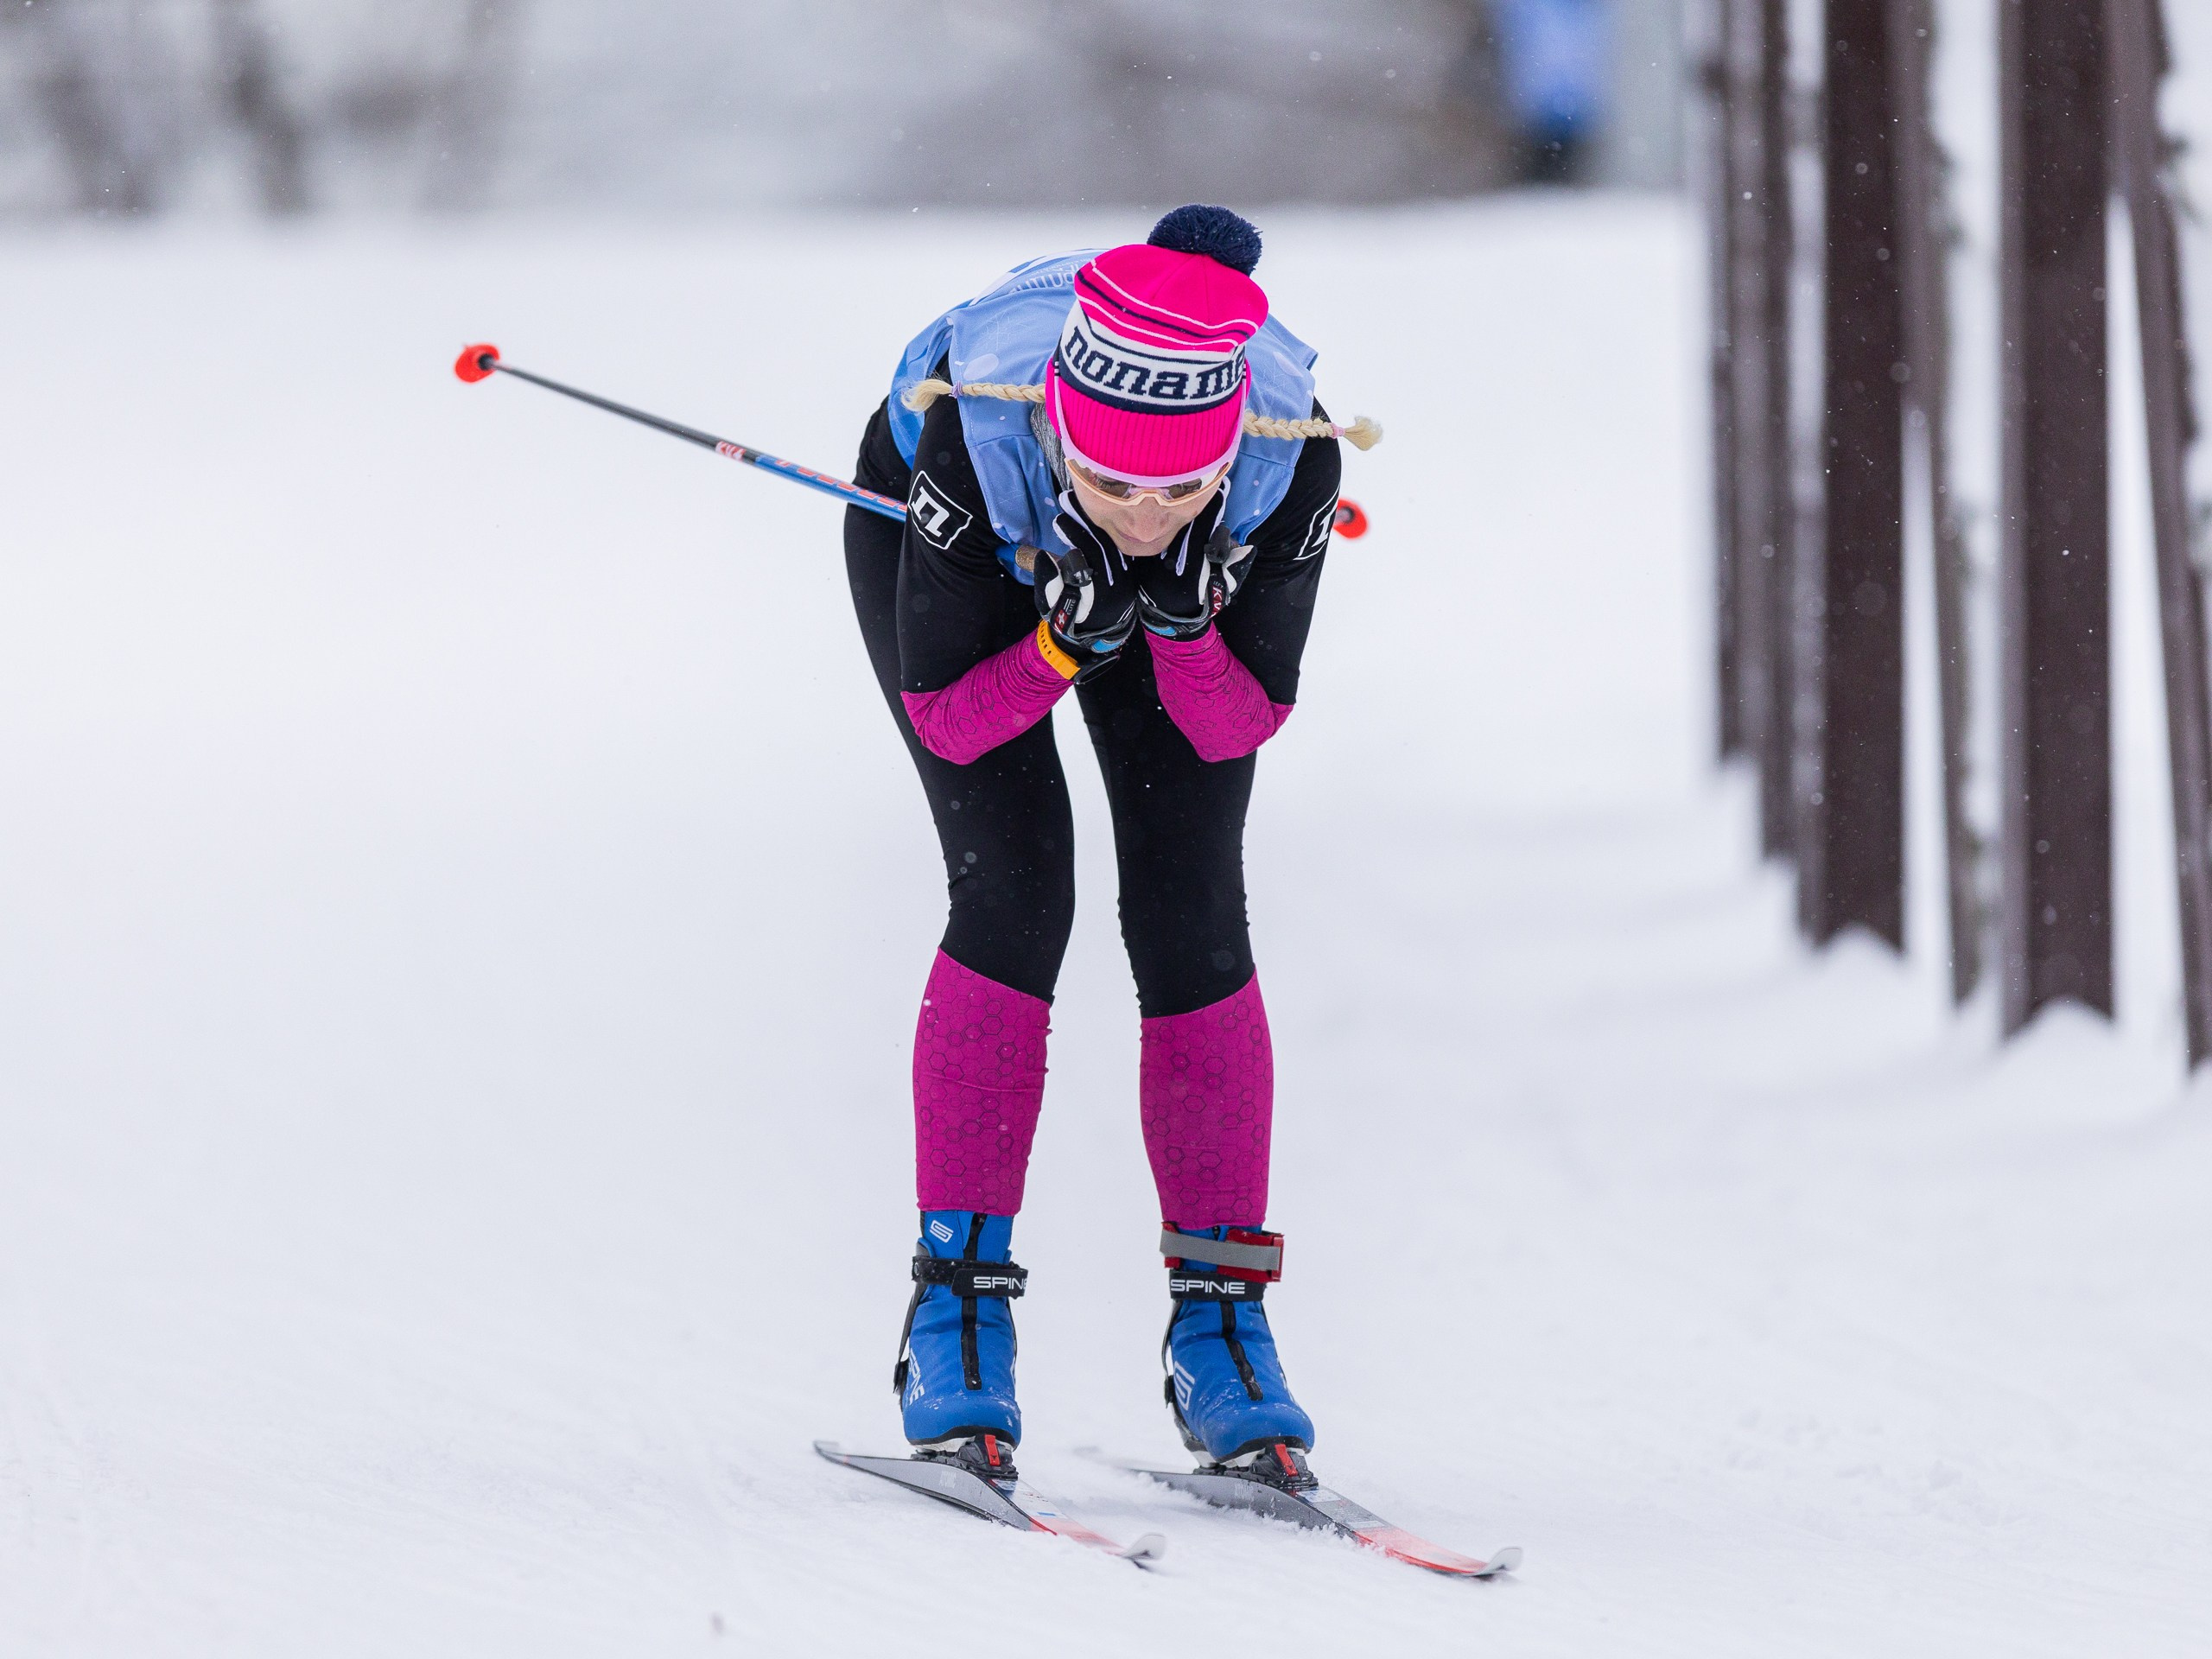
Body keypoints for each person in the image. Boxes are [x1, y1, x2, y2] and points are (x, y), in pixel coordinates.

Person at [842, 205, 1376, 1476]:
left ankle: (1223, 1329)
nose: (1144, 516)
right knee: (1015, 895)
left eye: (1176, 490)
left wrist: (1185, 628)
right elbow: (955, 725)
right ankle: (955, 1314)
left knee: (1192, 912)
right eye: (1113, 485)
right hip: (953, 533)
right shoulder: (980, 445)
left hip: (1191, 587)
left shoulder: (1285, 460)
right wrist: (1059, 644)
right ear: (1064, 438)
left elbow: (1247, 715)